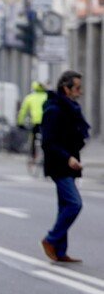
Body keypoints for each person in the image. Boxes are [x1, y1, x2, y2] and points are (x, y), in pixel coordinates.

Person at [40, 70, 89, 263]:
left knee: (65, 206)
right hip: (59, 165)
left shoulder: (70, 108)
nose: (80, 91)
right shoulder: (54, 109)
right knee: (75, 204)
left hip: (69, 164)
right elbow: (48, 142)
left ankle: (60, 251)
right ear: (66, 88)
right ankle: (51, 239)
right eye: (77, 88)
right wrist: (67, 157)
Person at [17, 81, 48, 161]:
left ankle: (33, 156)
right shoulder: (46, 96)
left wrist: (20, 122)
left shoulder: (30, 97)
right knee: (46, 138)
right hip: (46, 122)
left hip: (35, 122)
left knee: (33, 138)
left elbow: (23, 111)